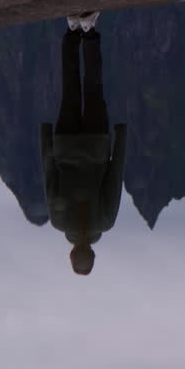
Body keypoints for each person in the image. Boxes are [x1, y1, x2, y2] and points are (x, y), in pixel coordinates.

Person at [40, 15, 128, 274]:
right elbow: (49, 174)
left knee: (93, 86)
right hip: (64, 145)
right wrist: (46, 137)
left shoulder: (106, 221)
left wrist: (121, 136)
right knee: (69, 88)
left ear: (92, 253)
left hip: (97, 143)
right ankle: (71, 31)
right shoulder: (58, 221)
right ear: (71, 254)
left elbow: (115, 175)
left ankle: (88, 32)